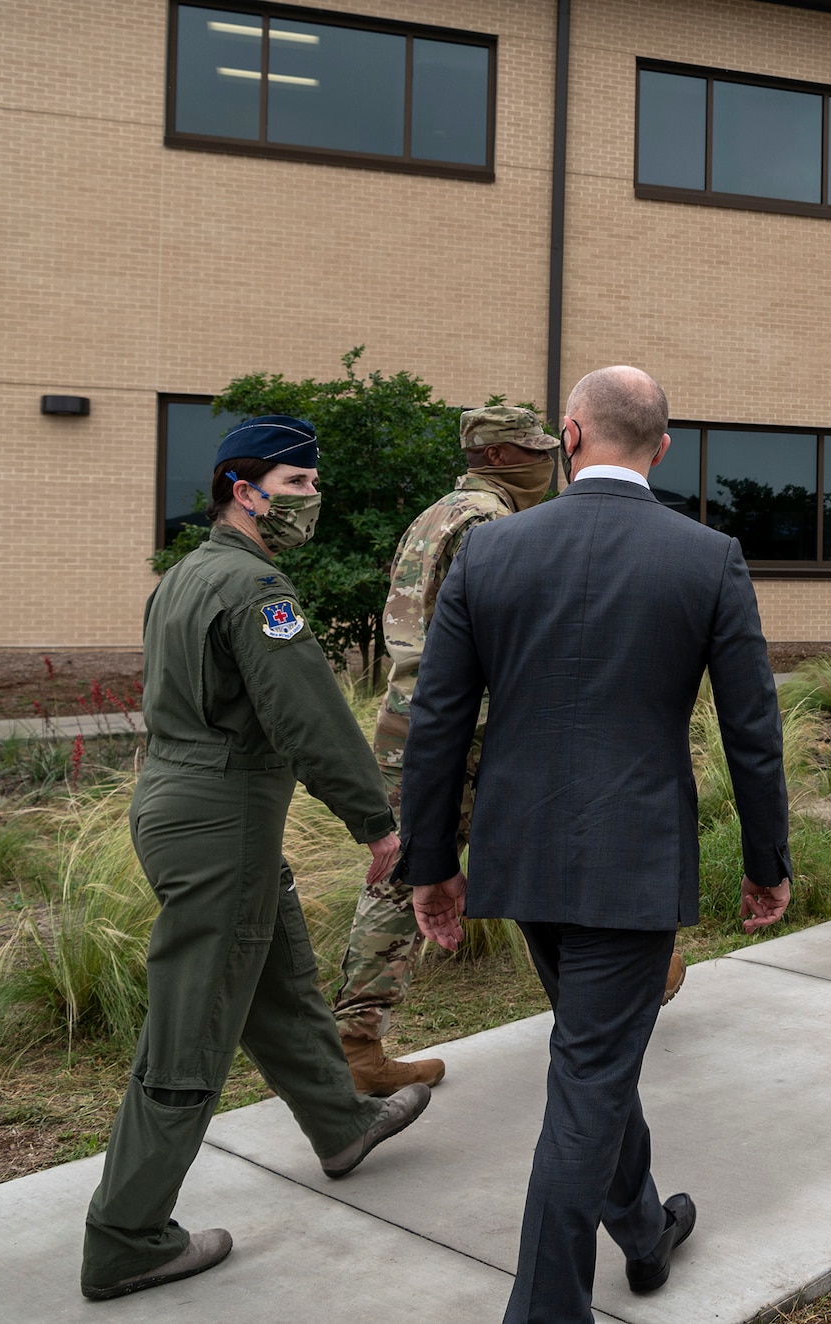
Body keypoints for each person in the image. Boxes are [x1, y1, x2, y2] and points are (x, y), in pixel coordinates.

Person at [398, 366, 792, 1321]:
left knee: (592, 1055)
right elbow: (753, 729)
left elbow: (438, 719)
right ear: (661, 448)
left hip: (522, 856)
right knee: (590, 1073)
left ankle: (645, 1229)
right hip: (633, 862)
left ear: (570, 435)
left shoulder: (491, 554)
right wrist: (766, 860)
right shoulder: (708, 557)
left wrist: (431, 863)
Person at [81, 417, 431, 1301]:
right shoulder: (255, 587)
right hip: (222, 817)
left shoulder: (184, 577)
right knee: (192, 1022)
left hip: (177, 804)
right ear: (247, 490)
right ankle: (127, 1235)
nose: (312, 501)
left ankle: (342, 1121)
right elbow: (305, 714)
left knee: (273, 970)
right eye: (300, 485)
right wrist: (376, 823)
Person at [330, 405, 687, 1097]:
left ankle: (356, 1040)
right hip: (471, 730)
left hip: (416, 725)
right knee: (506, 859)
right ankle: (631, 977)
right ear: (496, 457)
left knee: (403, 878)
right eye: (532, 451)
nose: (547, 463)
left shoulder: (436, 514)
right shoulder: (492, 525)